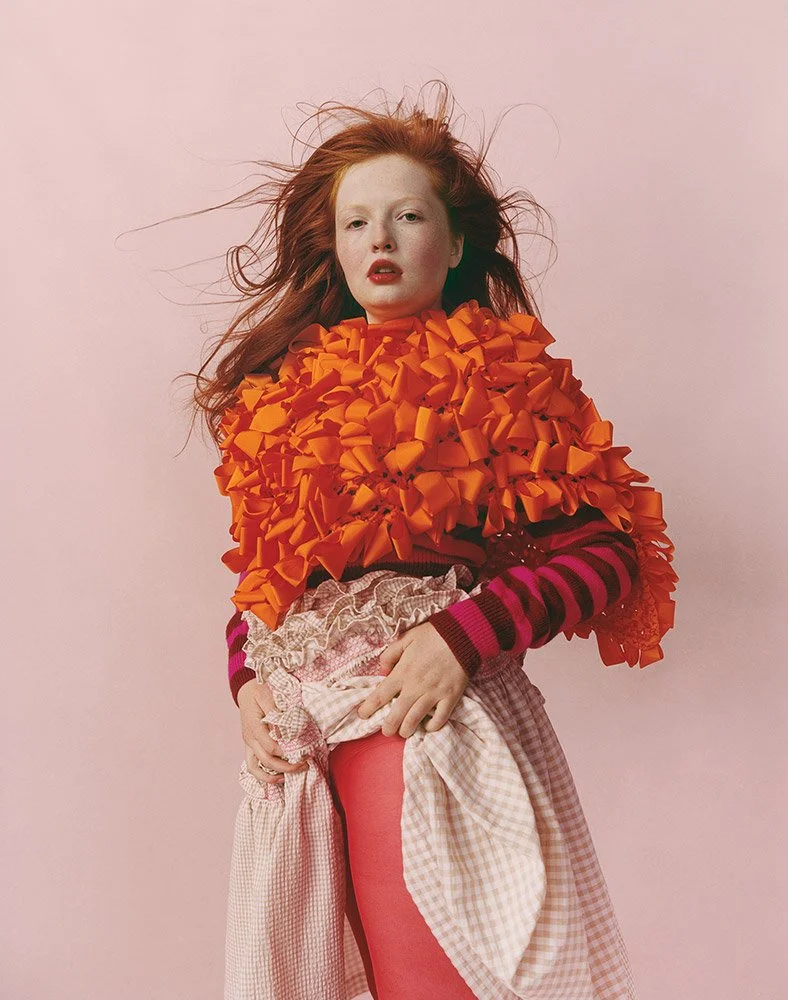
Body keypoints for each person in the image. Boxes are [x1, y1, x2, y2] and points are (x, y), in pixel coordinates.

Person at [192, 83, 677, 1000]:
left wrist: (462, 636)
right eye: (357, 222)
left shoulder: (504, 379)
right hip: (303, 753)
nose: (379, 238)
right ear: (335, 250)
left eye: (408, 216)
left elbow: (608, 555)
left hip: (427, 731)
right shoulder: (284, 399)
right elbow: (273, 589)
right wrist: (246, 680)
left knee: (441, 980)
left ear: (454, 245)